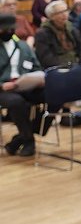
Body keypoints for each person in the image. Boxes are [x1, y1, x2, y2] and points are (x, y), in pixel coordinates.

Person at [0, 13, 47, 156]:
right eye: (4, 29)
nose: (8, 32)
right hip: (4, 89)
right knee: (17, 102)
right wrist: (2, 85)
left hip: (25, 85)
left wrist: (38, 79)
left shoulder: (23, 46)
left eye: (11, 29)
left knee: (54, 96)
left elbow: (36, 67)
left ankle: (19, 139)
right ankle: (28, 141)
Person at [34, 0, 81, 68]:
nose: (64, 14)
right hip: (57, 69)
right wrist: (68, 67)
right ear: (51, 16)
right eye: (60, 12)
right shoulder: (42, 34)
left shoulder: (73, 29)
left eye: (66, 11)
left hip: (77, 66)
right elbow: (46, 58)